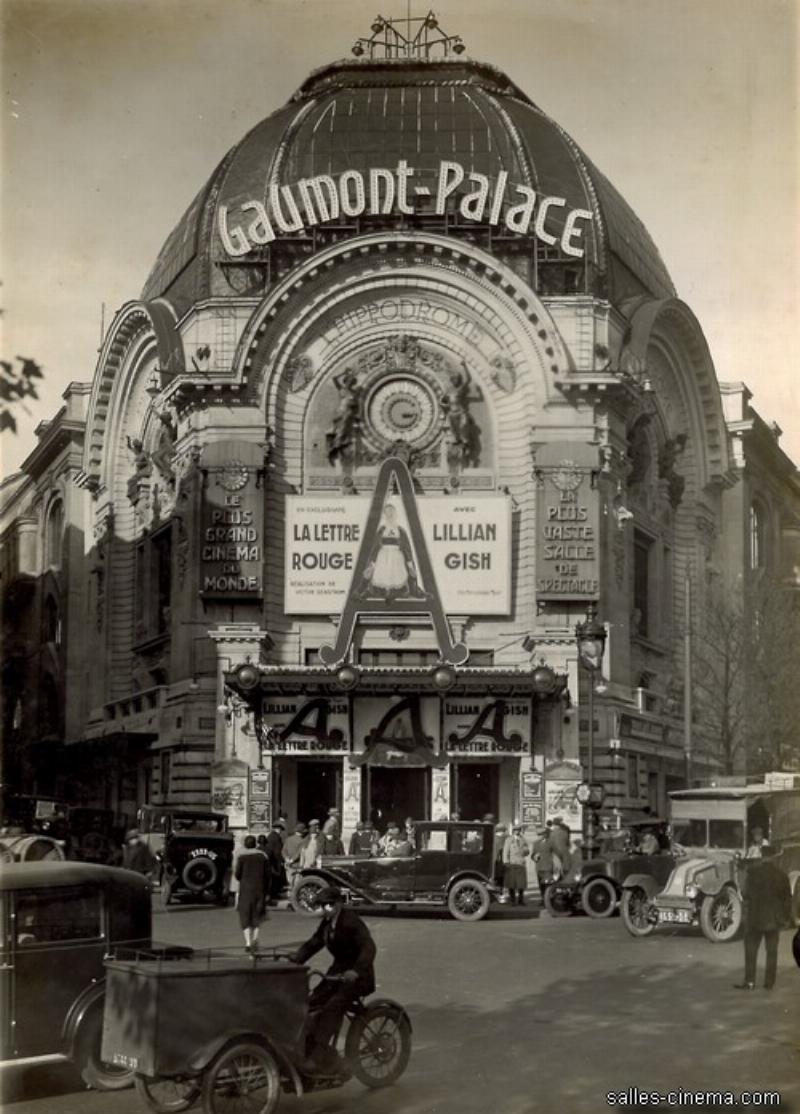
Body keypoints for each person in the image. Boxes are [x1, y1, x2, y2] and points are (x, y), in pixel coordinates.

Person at [292, 885, 376, 1073]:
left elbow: (369, 948)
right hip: (337, 973)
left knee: (333, 1007)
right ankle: (310, 1047)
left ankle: (319, 1055)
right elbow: (314, 943)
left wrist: (356, 971)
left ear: (338, 904)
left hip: (357, 977)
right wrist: (294, 960)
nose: (326, 909)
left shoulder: (352, 922)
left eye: (330, 905)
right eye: (323, 905)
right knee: (312, 1002)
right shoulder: (327, 922)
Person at [735, 843, 792, 991]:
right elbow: (787, 900)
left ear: (762, 856)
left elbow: (745, 894)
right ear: (773, 857)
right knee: (772, 952)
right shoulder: (782, 876)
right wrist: (785, 919)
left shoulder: (753, 873)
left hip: (755, 918)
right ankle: (769, 983)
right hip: (774, 920)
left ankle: (750, 982)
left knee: (751, 950)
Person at [234, 834, 271, 953]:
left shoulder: (242, 857)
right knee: (257, 915)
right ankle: (255, 939)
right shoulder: (263, 857)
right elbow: (268, 875)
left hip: (245, 890)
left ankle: (248, 943)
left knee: (245, 915)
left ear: (245, 844)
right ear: (255, 844)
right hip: (259, 889)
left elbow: (237, 875)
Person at [502, 824, 530, 905]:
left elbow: (527, 851)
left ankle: (521, 900)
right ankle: (512, 900)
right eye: (516, 830)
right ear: (513, 831)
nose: (517, 832)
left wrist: (525, 850)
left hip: (521, 863)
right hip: (512, 863)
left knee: (521, 884)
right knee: (511, 883)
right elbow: (505, 851)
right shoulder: (509, 839)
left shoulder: (523, 839)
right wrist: (506, 862)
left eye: (519, 830)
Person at [264, 821, 286, 901]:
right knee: (276, 877)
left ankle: (273, 894)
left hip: (271, 859)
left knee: (273, 878)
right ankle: (274, 894)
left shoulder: (270, 836)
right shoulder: (276, 837)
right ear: (278, 829)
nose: (281, 831)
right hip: (275, 860)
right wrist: (281, 860)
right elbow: (277, 851)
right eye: (280, 830)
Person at [532, 826, 556, 898]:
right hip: (539, 867)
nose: (541, 836)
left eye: (542, 834)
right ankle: (543, 899)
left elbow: (556, 853)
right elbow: (532, 854)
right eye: (539, 834)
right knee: (541, 885)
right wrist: (534, 857)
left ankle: (548, 900)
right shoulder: (535, 843)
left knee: (548, 884)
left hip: (548, 867)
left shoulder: (551, 843)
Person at [283, 822, 308, 888]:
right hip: (297, 865)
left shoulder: (288, 839)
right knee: (297, 885)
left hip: (288, 865)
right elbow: (299, 853)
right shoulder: (303, 841)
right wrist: (292, 860)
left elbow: (283, 851)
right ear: (302, 832)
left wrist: (286, 859)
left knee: (290, 882)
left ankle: (290, 895)